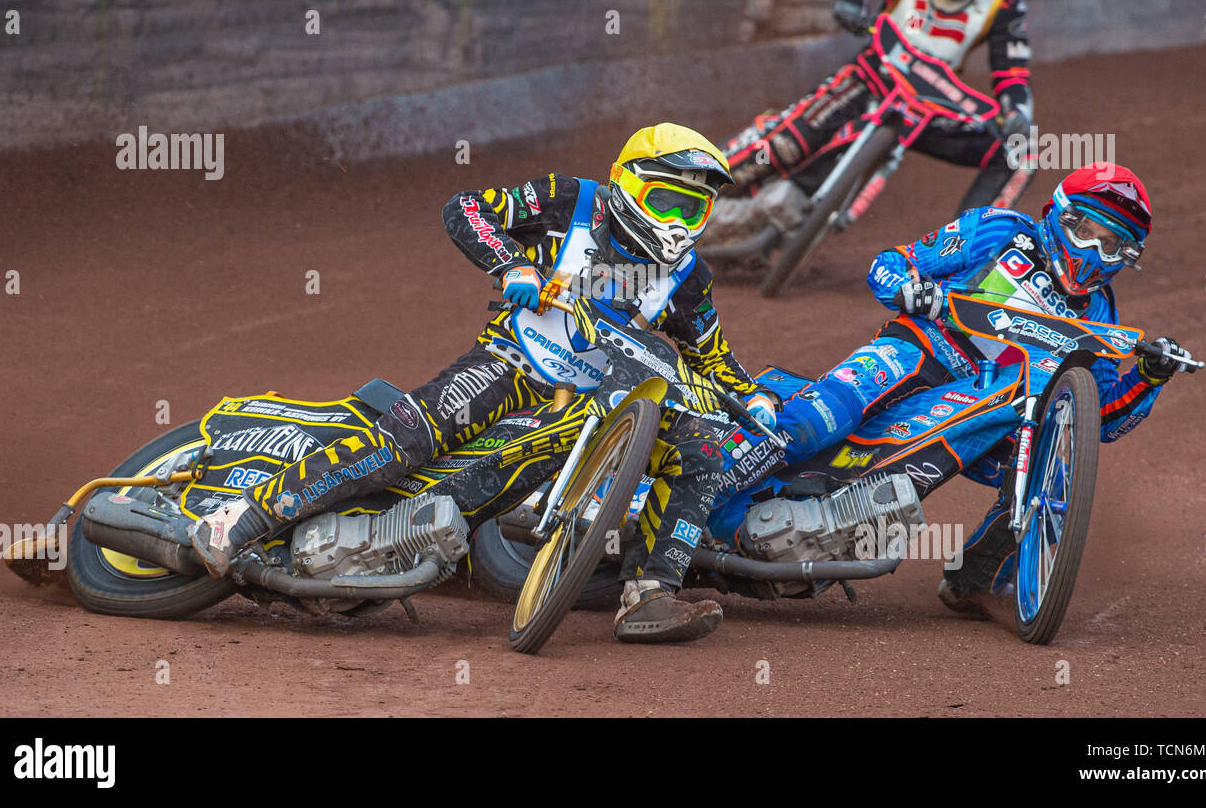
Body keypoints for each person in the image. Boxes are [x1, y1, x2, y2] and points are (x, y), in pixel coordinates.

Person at [188, 123, 778, 644]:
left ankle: (648, 594)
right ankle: (243, 518)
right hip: (513, 361)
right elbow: (467, 207)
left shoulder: (689, 276)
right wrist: (513, 264)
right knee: (411, 440)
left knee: (700, 452)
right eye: (667, 201)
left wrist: (752, 396)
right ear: (628, 183)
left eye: (692, 210)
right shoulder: (569, 199)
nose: (677, 222)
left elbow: (711, 355)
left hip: (602, 399)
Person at [766, 163, 1191, 612]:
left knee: (1054, 477)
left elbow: (1096, 419)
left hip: (993, 409)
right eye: (1087, 231)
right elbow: (889, 265)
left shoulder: (1101, 314)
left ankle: (978, 580)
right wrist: (914, 293)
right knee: (821, 418)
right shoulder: (998, 230)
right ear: (1059, 214)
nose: (1094, 253)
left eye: (1113, 246)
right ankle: (727, 465)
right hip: (923, 353)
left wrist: (1149, 376)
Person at [710, 0, 1036, 244]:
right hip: (871, 77)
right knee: (786, 141)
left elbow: (1012, 72)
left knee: (1023, 151)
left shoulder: (1006, 2)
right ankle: (687, 188)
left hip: (930, 109)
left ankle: (964, 253)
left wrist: (1016, 112)